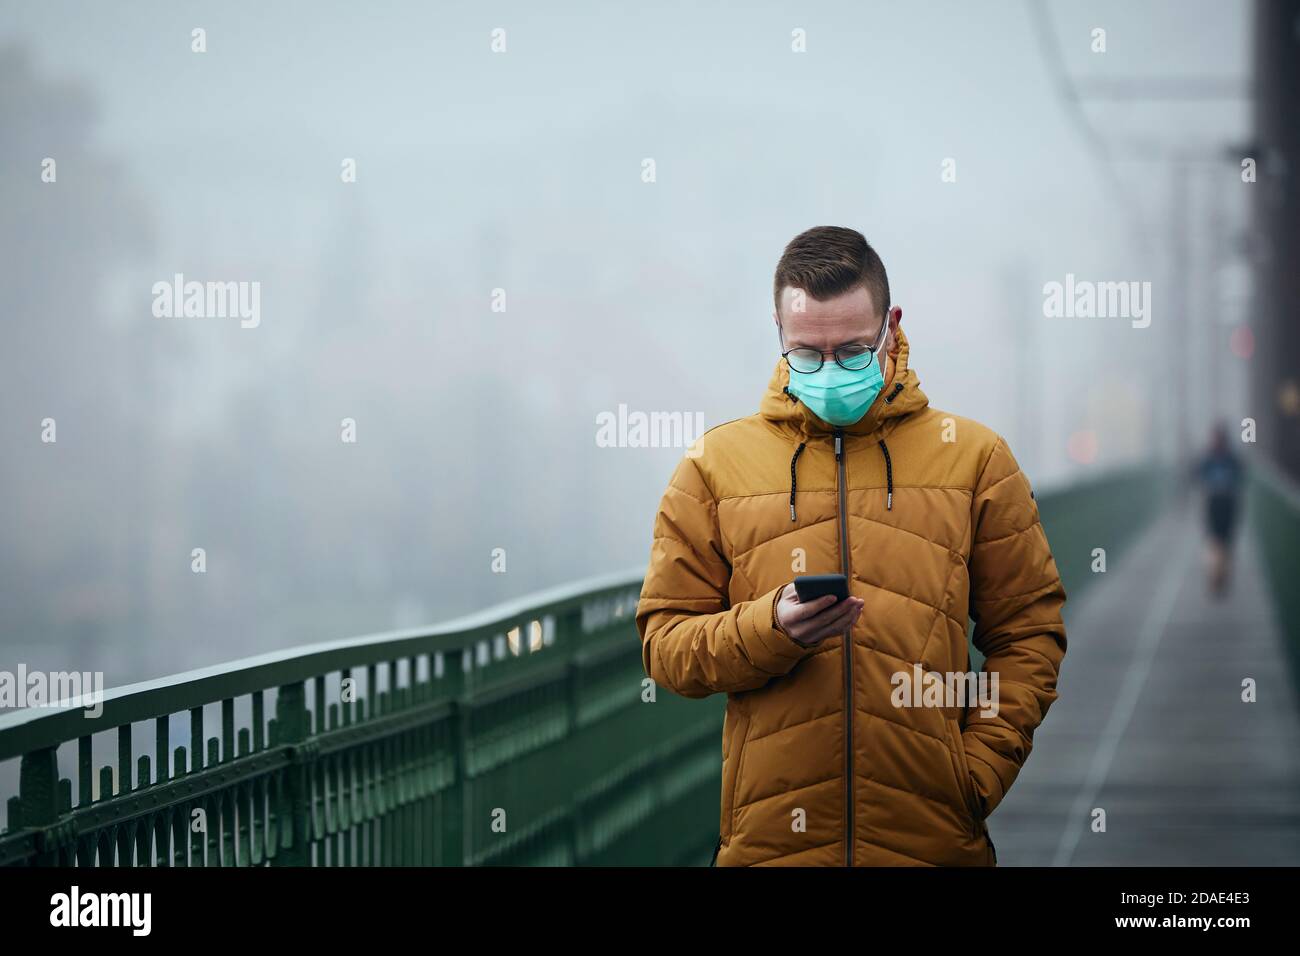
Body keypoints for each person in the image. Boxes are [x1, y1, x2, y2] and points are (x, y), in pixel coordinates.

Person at [634, 226, 1067, 866]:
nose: (830, 370)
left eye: (854, 351)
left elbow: (1028, 631)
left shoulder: (975, 460)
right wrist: (770, 629)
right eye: (807, 354)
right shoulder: (713, 468)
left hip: (932, 842)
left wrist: (975, 774)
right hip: (774, 848)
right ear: (779, 332)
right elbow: (665, 644)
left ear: (891, 326)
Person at [1193, 422, 1244, 598]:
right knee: (1215, 542)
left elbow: (1241, 476)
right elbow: (1197, 475)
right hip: (1215, 503)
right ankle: (1216, 577)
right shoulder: (1210, 458)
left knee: (1225, 543)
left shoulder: (1231, 458)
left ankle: (1221, 576)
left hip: (1227, 503)